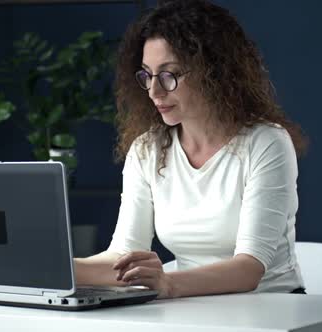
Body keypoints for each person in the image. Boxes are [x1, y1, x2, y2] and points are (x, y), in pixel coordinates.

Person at [74, 0, 308, 299]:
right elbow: (123, 257)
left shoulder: (266, 142)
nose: (154, 91)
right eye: (147, 75)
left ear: (214, 71)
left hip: (272, 307)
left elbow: (248, 269)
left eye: (169, 75)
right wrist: (57, 268)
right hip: (192, 305)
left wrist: (168, 283)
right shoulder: (147, 149)